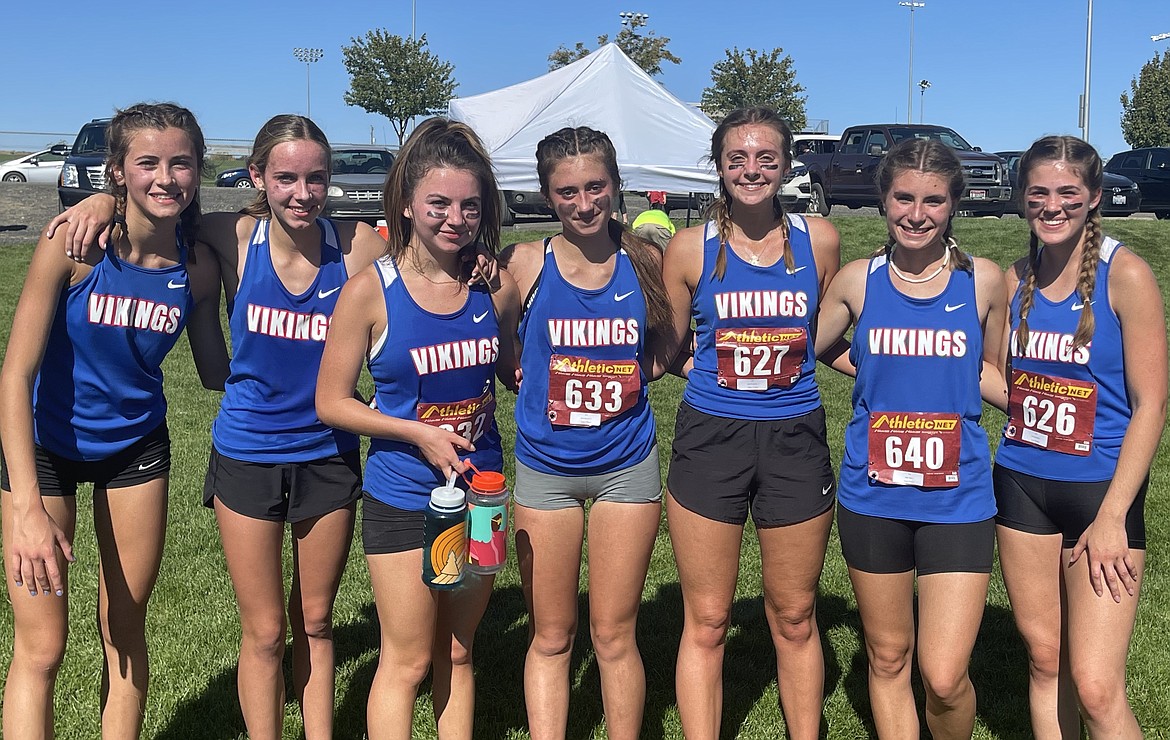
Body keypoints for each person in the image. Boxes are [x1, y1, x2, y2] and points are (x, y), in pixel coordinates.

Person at [49, 114, 388, 740]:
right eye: (285, 178)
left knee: (315, 621)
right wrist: (102, 196)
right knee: (262, 631)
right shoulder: (232, 238)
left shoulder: (359, 246)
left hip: (329, 453)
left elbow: (430, 253)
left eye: (317, 179)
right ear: (257, 177)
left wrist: (476, 258)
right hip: (248, 454)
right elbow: (153, 209)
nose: (302, 193)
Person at [0, 103, 226, 738]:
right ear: (117, 171)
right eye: (147, 162)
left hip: (136, 450)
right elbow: (13, 377)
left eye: (180, 163)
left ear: (199, 170)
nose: (165, 178)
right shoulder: (72, 247)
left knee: (124, 630)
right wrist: (25, 511)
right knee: (42, 647)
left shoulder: (198, 267)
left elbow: (214, 370)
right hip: (43, 448)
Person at [315, 117, 519, 740]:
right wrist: (417, 433)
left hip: (482, 493)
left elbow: (510, 368)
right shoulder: (369, 292)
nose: (453, 218)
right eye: (438, 203)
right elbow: (331, 401)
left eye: (468, 205)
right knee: (407, 659)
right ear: (406, 202)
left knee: (458, 651)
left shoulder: (493, 286)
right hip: (403, 495)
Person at [814, 137, 1008, 739]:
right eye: (903, 198)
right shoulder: (856, 282)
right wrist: (869, 366)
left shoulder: (984, 283)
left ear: (954, 205)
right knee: (889, 657)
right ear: (883, 199)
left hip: (959, 498)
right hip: (874, 496)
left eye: (933, 200)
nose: (916, 214)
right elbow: (813, 349)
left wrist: (1054, 404)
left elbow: (995, 373)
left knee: (945, 676)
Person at [656, 106, 840, 740]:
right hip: (712, 438)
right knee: (706, 621)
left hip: (795, 439)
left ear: (787, 166)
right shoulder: (688, 249)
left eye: (766, 157)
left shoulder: (820, 239)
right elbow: (670, 348)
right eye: (737, 158)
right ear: (719, 167)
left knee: (794, 616)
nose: (752, 169)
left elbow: (826, 336)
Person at [498, 126, 671, 740]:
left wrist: (636, 371)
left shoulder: (646, 260)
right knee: (551, 634)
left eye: (595, 186)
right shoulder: (524, 263)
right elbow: (490, 336)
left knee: (614, 633)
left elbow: (668, 344)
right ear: (548, 197)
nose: (584, 203)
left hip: (627, 465)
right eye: (566, 191)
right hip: (545, 471)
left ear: (615, 185)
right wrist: (513, 367)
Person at [993, 135, 1166, 738]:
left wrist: (1115, 513)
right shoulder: (1014, 279)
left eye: (1068, 192)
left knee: (1095, 687)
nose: (1052, 205)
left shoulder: (1128, 275)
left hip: (1101, 492)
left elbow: (1151, 404)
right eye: (1038, 192)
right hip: (1021, 484)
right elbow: (994, 375)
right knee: (1045, 663)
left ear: (1094, 198)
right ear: (1022, 199)